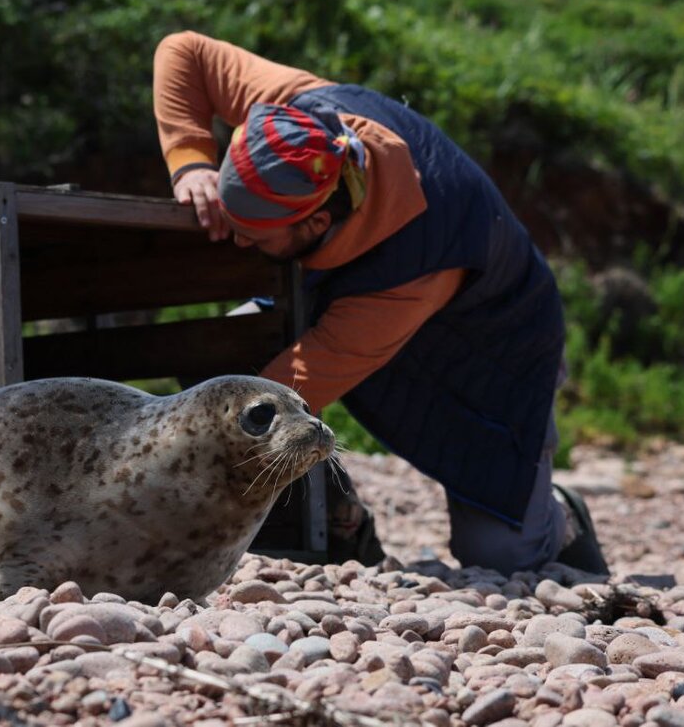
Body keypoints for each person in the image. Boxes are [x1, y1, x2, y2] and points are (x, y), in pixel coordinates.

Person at [152, 31, 609, 576]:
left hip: (495, 344)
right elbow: (185, 52)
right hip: (353, 307)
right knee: (218, 355)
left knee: (504, 555)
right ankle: (339, 516)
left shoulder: (410, 272)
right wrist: (190, 160)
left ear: (317, 223)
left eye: (255, 234)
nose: (241, 241)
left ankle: (565, 518)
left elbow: (277, 396)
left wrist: (159, 489)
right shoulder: (301, 122)